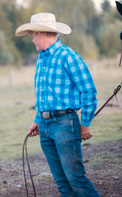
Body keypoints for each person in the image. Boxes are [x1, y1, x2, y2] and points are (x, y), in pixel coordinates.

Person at [15, 13, 100, 197]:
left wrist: (85, 123)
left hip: (64, 124)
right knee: (62, 183)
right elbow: (45, 96)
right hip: (45, 126)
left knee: (76, 179)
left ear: (40, 34)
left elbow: (88, 90)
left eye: (32, 36)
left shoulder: (68, 56)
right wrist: (38, 119)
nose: (32, 41)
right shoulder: (41, 59)